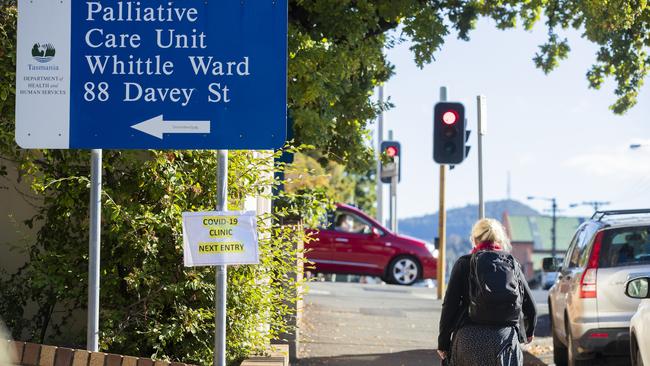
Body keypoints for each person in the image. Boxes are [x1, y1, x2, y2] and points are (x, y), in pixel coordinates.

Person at [437, 218, 537, 366]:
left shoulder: (464, 264)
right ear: (499, 239)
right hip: (505, 339)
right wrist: (528, 333)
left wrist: (443, 343)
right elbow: (530, 305)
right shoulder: (512, 264)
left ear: (474, 239)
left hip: (469, 339)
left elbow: (449, 306)